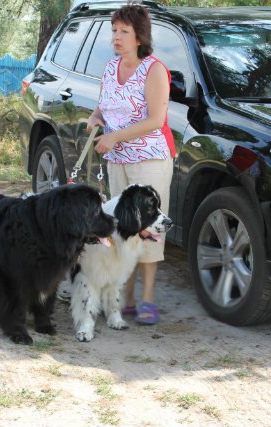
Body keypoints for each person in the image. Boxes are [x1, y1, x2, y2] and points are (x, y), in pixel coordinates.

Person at [86, 4, 175, 325]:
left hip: (149, 159)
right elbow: (105, 106)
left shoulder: (154, 70)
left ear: (140, 37)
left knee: (148, 228)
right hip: (117, 159)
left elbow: (156, 119)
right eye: (114, 31)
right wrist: (96, 119)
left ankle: (148, 298)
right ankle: (124, 295)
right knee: (121, 227)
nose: (117, 38)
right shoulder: (111, 68)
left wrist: (116, 135)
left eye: (124, 32)